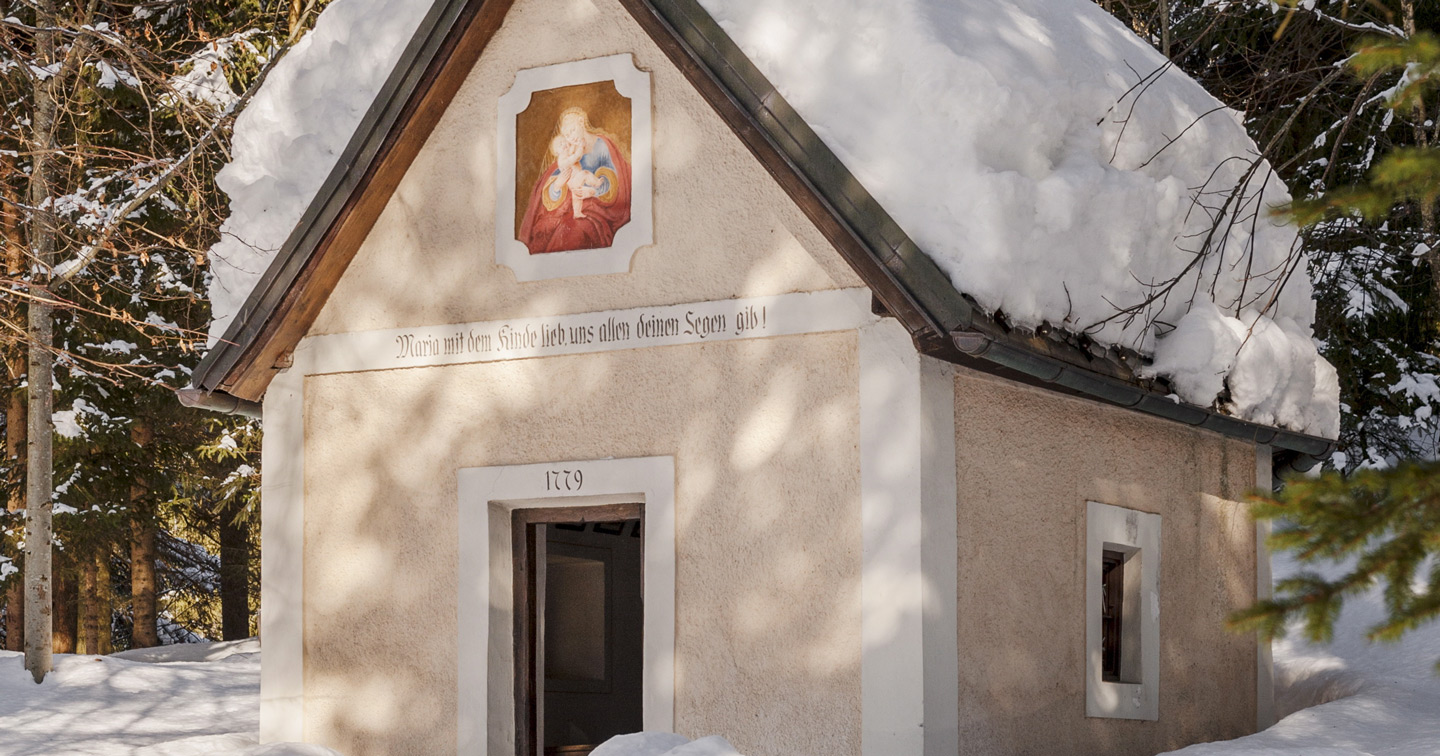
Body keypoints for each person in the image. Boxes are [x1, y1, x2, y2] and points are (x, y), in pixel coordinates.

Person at [518, 106, 632, 254]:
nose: (570, 137)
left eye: (572, 130)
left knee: (574, 231)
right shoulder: (569, 150)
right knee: (555, 229)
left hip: (597, 208)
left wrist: (593, 191)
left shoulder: (601, 145)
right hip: (571, 205)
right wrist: (557, 186)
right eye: (566, 135)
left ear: (581, 122)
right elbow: (556, 180)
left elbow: (614, 179)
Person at [550, 134, 605, 219]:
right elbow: (576, 157)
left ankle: (577, 212)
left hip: (574, 181)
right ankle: (596, 183)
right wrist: (580, 147)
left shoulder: (567, 153)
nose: (564, 145)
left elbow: (572, 150)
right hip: (574, 179)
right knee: (585, 173)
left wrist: (578, 143)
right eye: (560, 145)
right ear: (557, 152)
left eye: (564, 142)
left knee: (576, 196)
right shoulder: (562, 160)